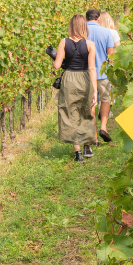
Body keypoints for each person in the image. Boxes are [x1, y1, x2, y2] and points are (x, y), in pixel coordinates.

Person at [52, 14, 98, 162]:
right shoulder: (90, 44)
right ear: (84, 26)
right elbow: (92, 69)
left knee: (70, 112)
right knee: (85, 111)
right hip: (84, 78)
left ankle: (77, 152)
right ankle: (87, 147)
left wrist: (55, 57)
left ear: (71, 26)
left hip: (69, 79)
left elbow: (57, 65)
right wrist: (95, 90)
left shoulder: (63, 42)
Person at [86, 8, 115, 144]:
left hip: (86, 74)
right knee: (105, 99)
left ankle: (94, 137)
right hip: (103, 74)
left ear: (86, 19)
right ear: (98, 19)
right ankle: (103, 127)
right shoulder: (107, 32)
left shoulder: (82, 32)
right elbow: (111, 56)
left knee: (92, 102)